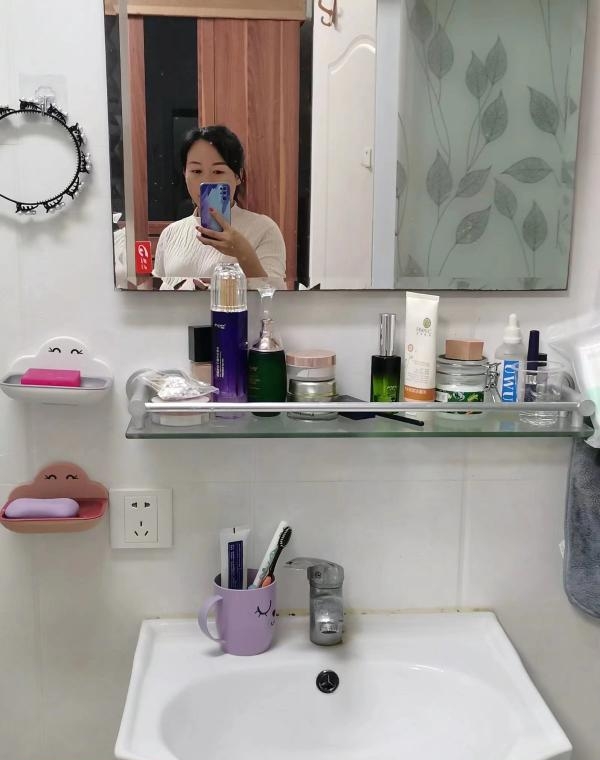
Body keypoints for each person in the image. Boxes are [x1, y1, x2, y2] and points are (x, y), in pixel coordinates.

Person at [153, 125, 286, 290]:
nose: (206, 180)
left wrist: (243, 252)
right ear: (184, 174)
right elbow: (157, 298)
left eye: (217, 171)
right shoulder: (170, 233)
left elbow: (274, 298)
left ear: (238, 176)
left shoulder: (264, 229)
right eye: (196, 171)